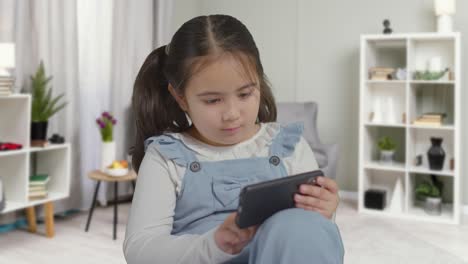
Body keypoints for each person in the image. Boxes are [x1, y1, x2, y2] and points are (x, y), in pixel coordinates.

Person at [124, 14, 344, 264]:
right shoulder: (166, 157)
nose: (231, 114)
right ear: (180, 97)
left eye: (245, 94)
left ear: (258, 84)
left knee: (303, 227)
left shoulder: (288, 146)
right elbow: (140, 250)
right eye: (213, 100)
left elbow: (312, 245)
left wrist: (324, 212)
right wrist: (214, 244)